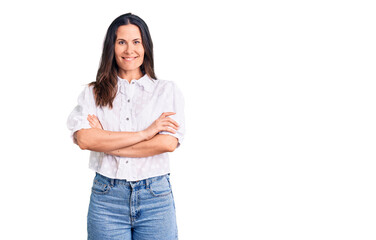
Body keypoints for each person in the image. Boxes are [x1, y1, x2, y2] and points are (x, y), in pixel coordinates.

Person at [66, 13, 185, 240]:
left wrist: (104, 140)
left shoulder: (166, 91)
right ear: (112, 47)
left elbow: (167, 143)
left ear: (146, 47)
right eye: (121, 42)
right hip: (107, 199)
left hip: (156, 199)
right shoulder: (92, 93)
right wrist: (146, 133)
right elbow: (85, 140)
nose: (129, 50)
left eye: (136, 42)